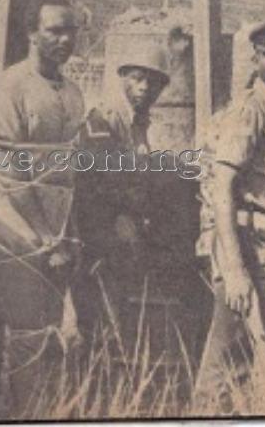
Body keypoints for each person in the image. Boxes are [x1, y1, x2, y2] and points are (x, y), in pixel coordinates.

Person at [193, 21, 265, 413]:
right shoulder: (251, 110)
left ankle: (212, 414)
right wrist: (235, 269)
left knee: (232, 354)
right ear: (255, 58)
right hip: (246, 244)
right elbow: (223, 188)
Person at [0, 0, 85, 417]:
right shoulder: (10, 86)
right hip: (15, 229)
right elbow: (8, 169)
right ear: (31, 34)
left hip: (55, 233)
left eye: (71, 29)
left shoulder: (72, 91)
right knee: (27, 334)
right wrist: (44, 237)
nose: (65, 38)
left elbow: (69, 172)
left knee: (50, 330)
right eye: (55, 29)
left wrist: (69, 233)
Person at [72, 44, 170, 351]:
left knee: (121, 312)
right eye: (138, 78)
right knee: (100, 315)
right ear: (123, 77)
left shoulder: (140, 123)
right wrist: (121, 217)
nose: (145, 87)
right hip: (100, 230)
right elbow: (96, 178)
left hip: (124, 230)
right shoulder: (102, 119)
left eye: (153, 82)